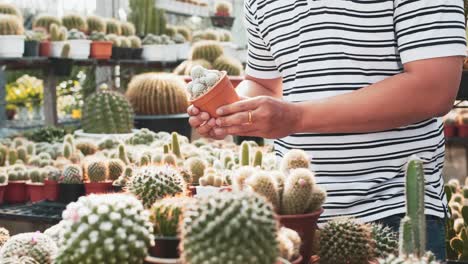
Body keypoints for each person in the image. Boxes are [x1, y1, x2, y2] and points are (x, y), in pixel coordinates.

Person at [188, 0, 465, 259]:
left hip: (394, 214)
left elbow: (435, 88)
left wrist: (296, 118)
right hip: (295, 214)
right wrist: (228, 111)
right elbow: (264, 83)